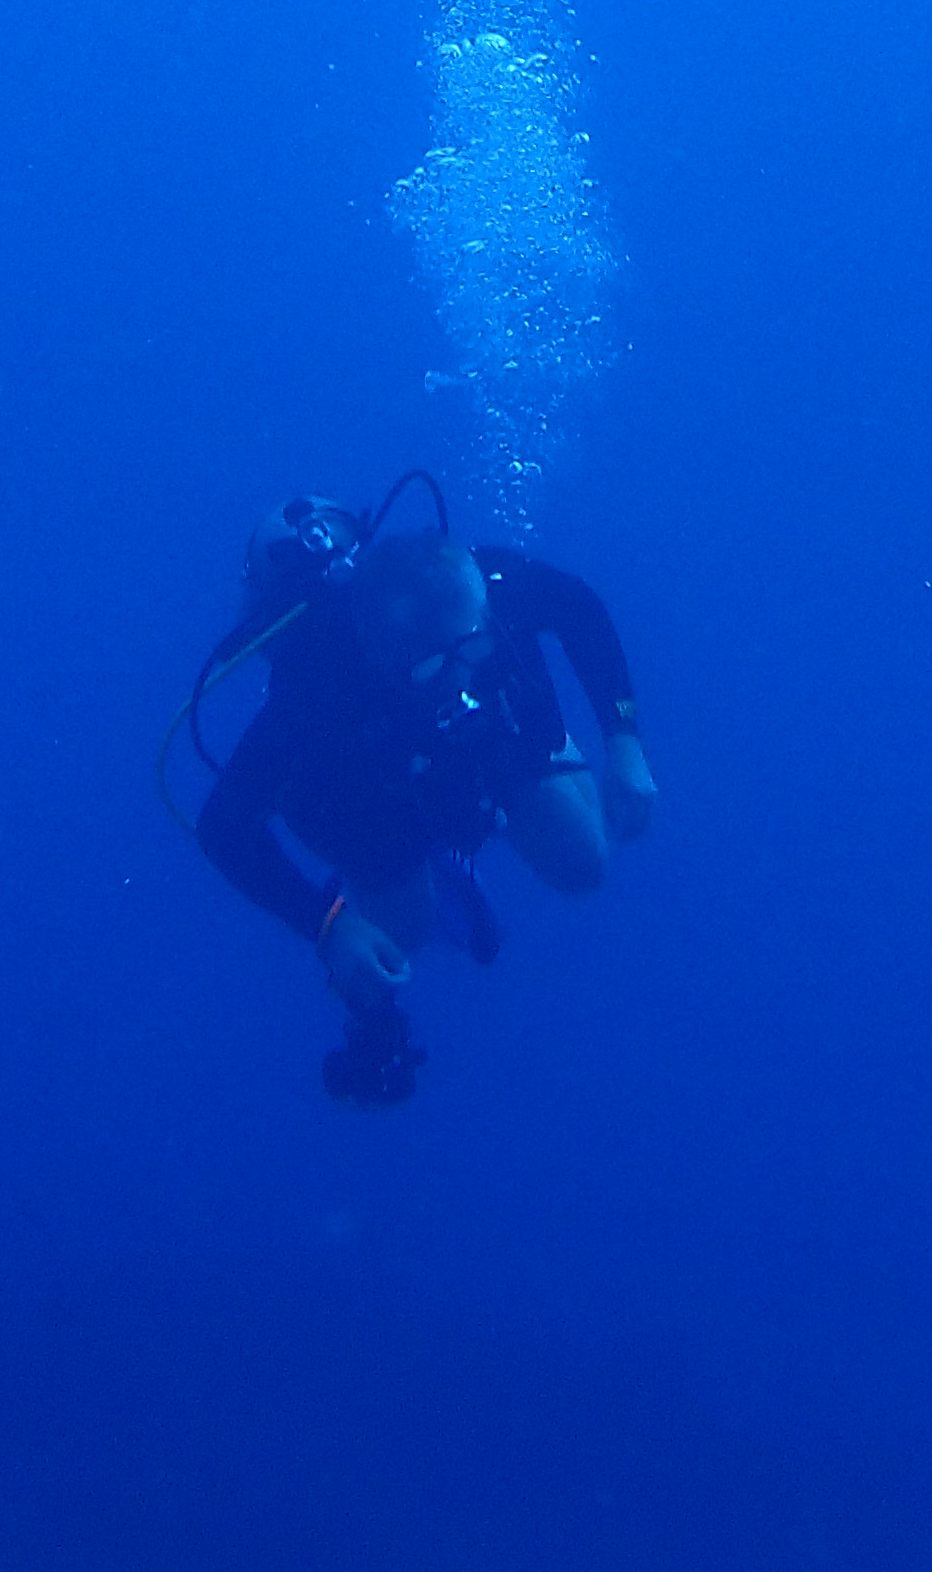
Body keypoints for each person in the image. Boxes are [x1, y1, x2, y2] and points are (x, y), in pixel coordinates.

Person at [167, 472, 657, 1104]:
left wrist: (624, 744)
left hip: (490, 754)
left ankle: (483, 814)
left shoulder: (486, 584)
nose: (466, 674)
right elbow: (222, 827)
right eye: (439, 662)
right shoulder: (312, 700)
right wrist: (329, 927)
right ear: (382, 653)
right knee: (396, 946)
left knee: (584, 866)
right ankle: (413, 887)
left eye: (476, 643)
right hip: (375, 804)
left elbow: (578, 605)